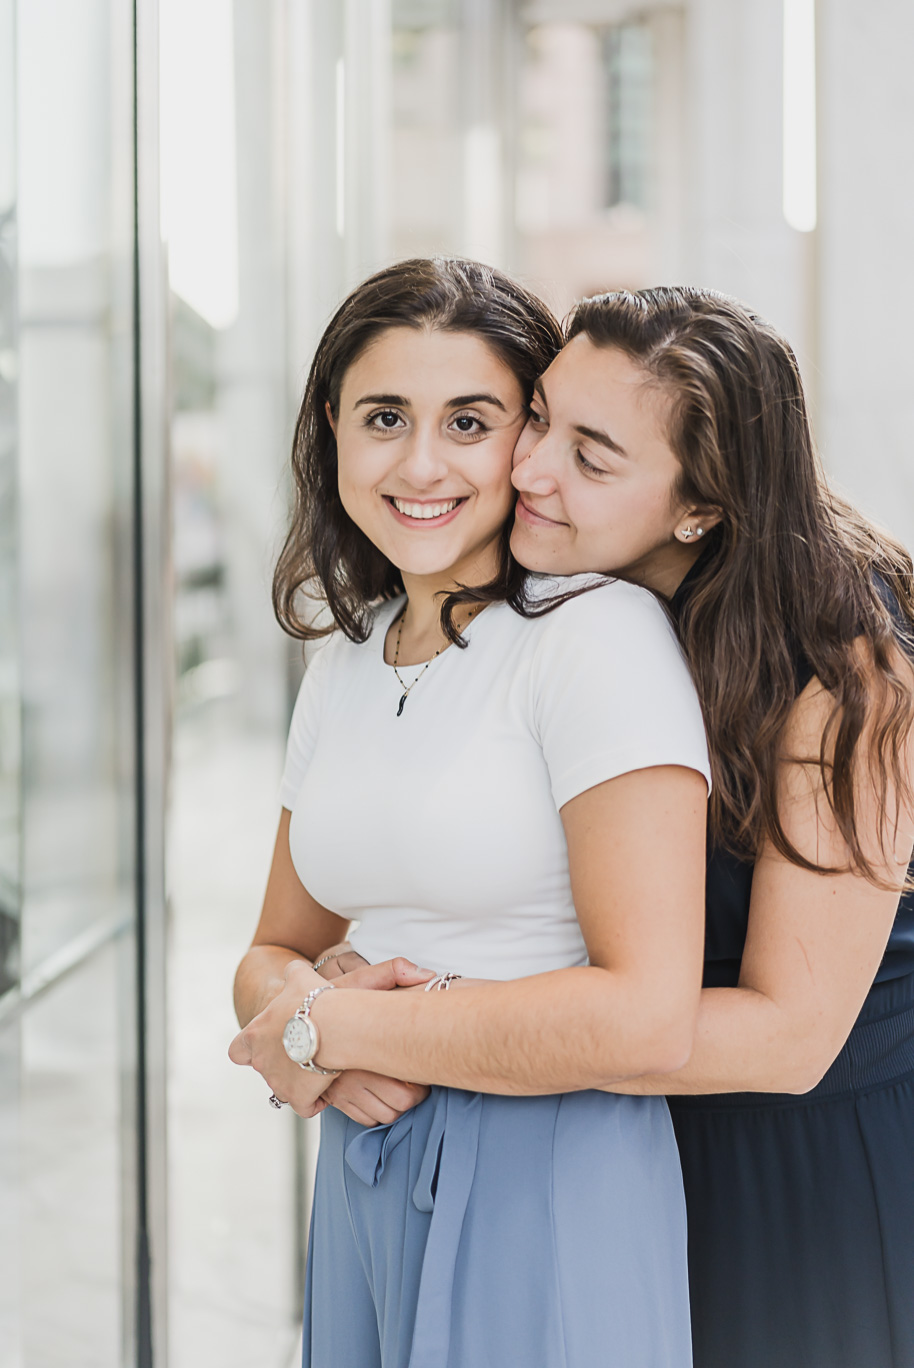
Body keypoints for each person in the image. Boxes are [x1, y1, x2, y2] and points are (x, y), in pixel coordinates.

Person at [258, 285, 914, 1368]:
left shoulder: (848, 676)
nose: (526, 468)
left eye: (591, 456)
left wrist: (360, 1025)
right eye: (540, 419)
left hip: (803, 1154)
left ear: (698, 505)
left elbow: (789, 1039)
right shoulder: (575, 606)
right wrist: (336, 972)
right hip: (618, 1117)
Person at [229, 260, 712, 1368]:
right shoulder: (345, 660)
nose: (420, 463)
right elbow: (269, 951)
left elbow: (647, 1016)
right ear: (332, 433)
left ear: (525, 442)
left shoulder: (593, 639)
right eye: (384, 417)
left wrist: (336, 1026)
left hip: (549, 1170)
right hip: (363, 1165)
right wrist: (306, 1021)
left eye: (470, 420)